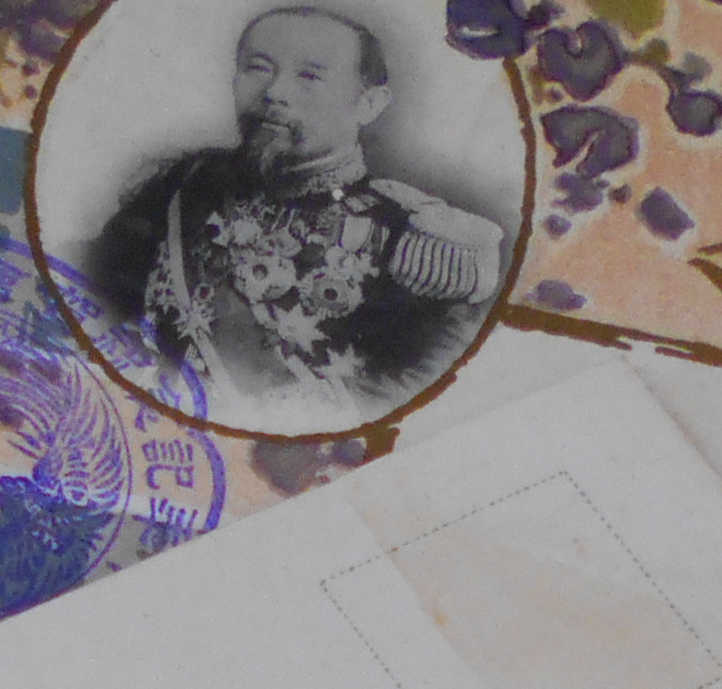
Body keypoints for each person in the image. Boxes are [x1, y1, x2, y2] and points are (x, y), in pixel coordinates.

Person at [74, 6, 508, 430]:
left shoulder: (413, 235)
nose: (275, 92)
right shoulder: (187, 184)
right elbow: (90, 288)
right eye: (258, 68)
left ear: (369, 103)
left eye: (309, 76)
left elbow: (420, 400)